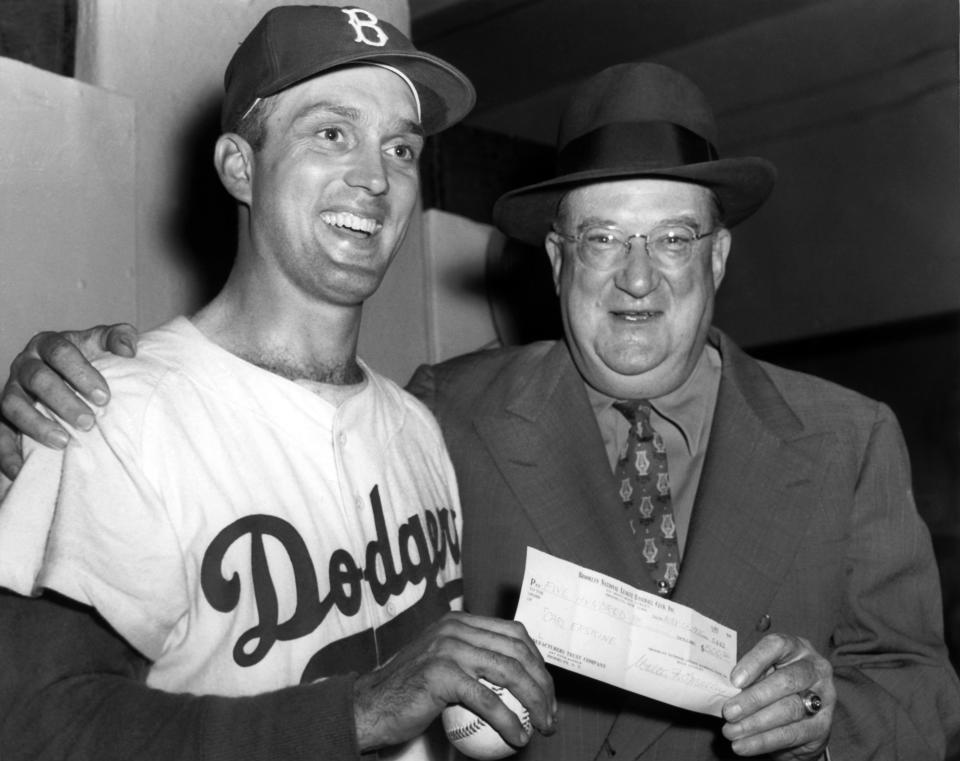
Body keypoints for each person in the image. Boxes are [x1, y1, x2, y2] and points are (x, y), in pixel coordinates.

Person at [2, 60, 958, 760]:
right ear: (554, 262)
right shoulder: (442, 413)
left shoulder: (849, 438)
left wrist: (834, 716)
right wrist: (73, 389)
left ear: (716, 260)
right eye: (599, 240)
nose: (635, 279)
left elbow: (925, 693)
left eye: (672, 239)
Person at [0, 5, 557, 761]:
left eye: (400, 147)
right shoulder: (114, 413)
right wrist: (358, 711)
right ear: (240, 166)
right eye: (332, 132)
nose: (375, 178)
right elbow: (40, 728)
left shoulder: (416, 427)